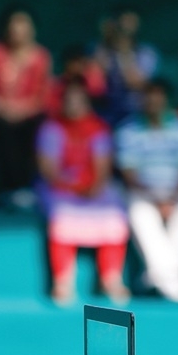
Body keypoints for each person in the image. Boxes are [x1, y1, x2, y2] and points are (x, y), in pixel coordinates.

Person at [116, 78, 178, 303]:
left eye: (158, 98)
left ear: (167, 101)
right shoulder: (128, 131)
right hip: (142, 193)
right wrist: (156, 198)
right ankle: (174, 283)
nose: (153, 103)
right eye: (149, 98)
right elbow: (129, 174)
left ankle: (157, 277)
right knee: (139, 214)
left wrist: (171, 198)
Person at [35, 78, 128, 304]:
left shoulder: (98, 129)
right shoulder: (50, 129)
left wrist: (90, 187)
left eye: (78, 100)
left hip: (94, 191)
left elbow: (102, 169)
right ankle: (62, 281)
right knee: (62, 219)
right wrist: (71, 187)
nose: (73, 105)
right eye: (68, 100)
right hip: (61, 191)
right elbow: (48, 169)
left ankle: (111, 278)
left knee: (114, 219)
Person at [0, 6, 51, 208]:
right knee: (2, 129)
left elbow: (41, 96)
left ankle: (25, 188)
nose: (17, 31)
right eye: (14, 25)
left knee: (32, 129)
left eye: (23, 25)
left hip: (29, 116)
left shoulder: (41, 57)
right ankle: (3, 190)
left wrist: (19, 110)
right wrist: (0, 106)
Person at [93, 6, 159, 127]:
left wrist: (123, 53)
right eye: (122, 26)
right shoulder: (103, 51)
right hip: (107, 111)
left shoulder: (147, 53)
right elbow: (95, 81)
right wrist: (105, 39)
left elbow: (134, 82)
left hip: (136, 113)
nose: (125, 30)